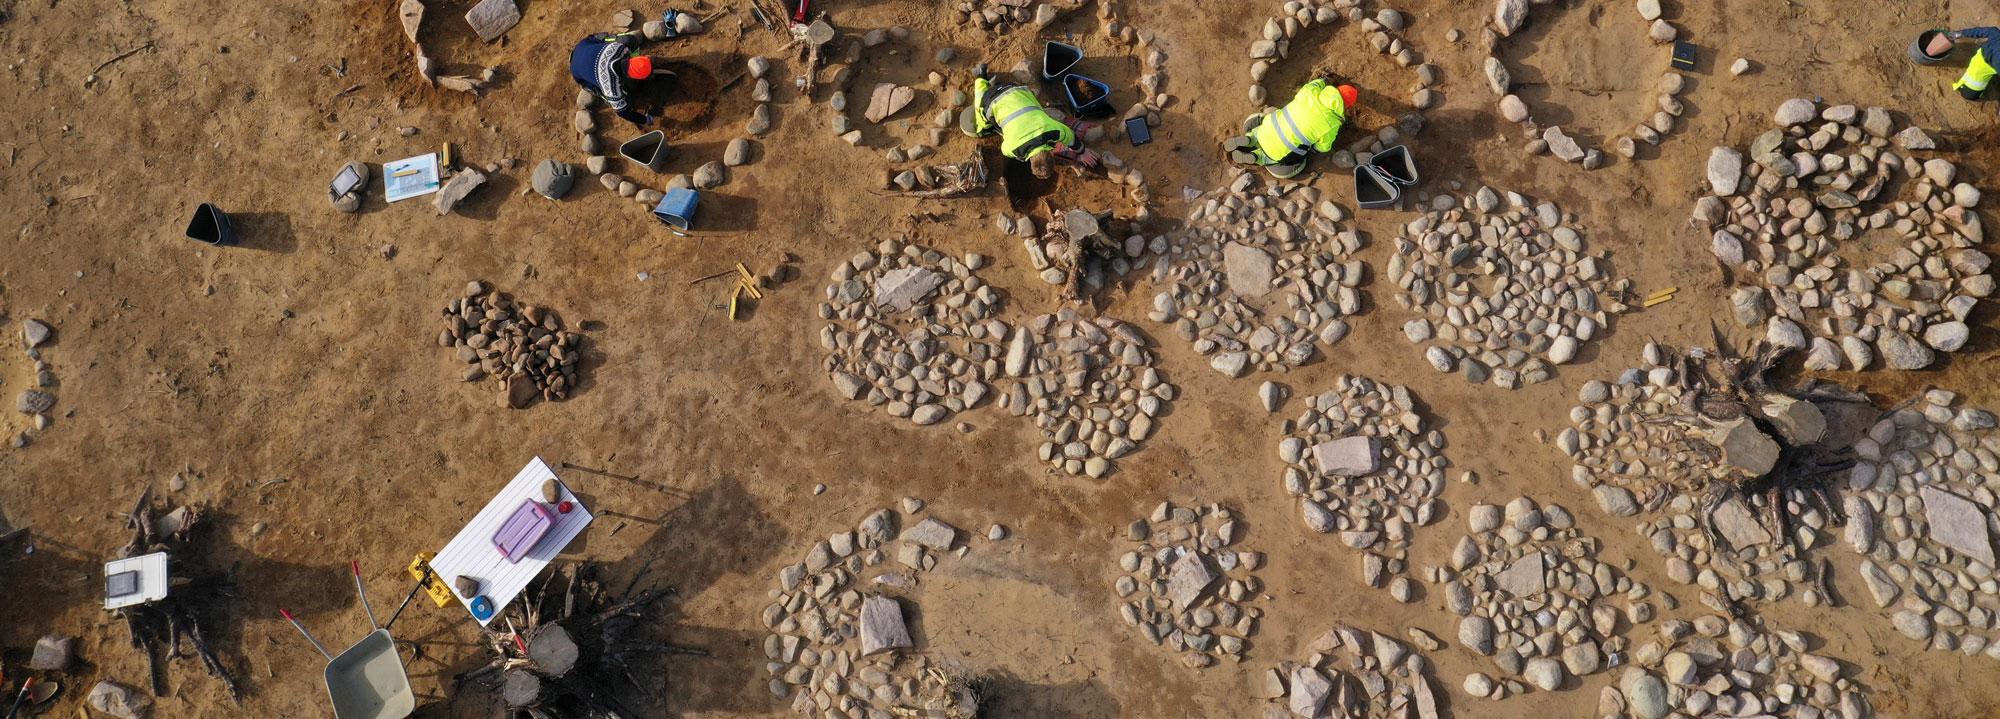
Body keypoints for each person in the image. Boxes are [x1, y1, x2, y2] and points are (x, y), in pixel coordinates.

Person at [959, 67, 1097, 178]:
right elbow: (1004, 150)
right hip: (996, 98)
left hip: (1017, 90)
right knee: (981, 128)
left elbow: (1069, 136)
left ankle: (983, 79)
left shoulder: (1052, 131)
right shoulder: (1014, 149)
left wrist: (1082, 151)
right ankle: (980, 77)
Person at [1224, 78, 1358, 179]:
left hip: (1267, 129)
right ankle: (1257, 157)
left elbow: (1315, 83)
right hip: (1278, 152)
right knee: (1295, 165)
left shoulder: (1311, 92)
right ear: (1346, 106)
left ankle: (1251, 138)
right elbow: (1323, 148)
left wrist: (1323, 81)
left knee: (1259, 122)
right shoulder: (1333, 123)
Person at [569, 32, 671, 126]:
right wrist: (646, 120)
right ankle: (604, 96)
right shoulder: (611, 87)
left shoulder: (621, 48)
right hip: (577, 71)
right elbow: (623, 112)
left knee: (630, 40)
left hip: (585, 44)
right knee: (628, 100)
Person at [1938, 27, 2000, 100]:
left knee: (1968, 93)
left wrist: (1958, 34)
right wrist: (1958, 34)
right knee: (1968, 94)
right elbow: (1978, 31)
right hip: (1983, 63)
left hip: (1988, 65)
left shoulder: (1996, 34)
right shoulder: (1996, 35)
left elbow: (1979, 31)